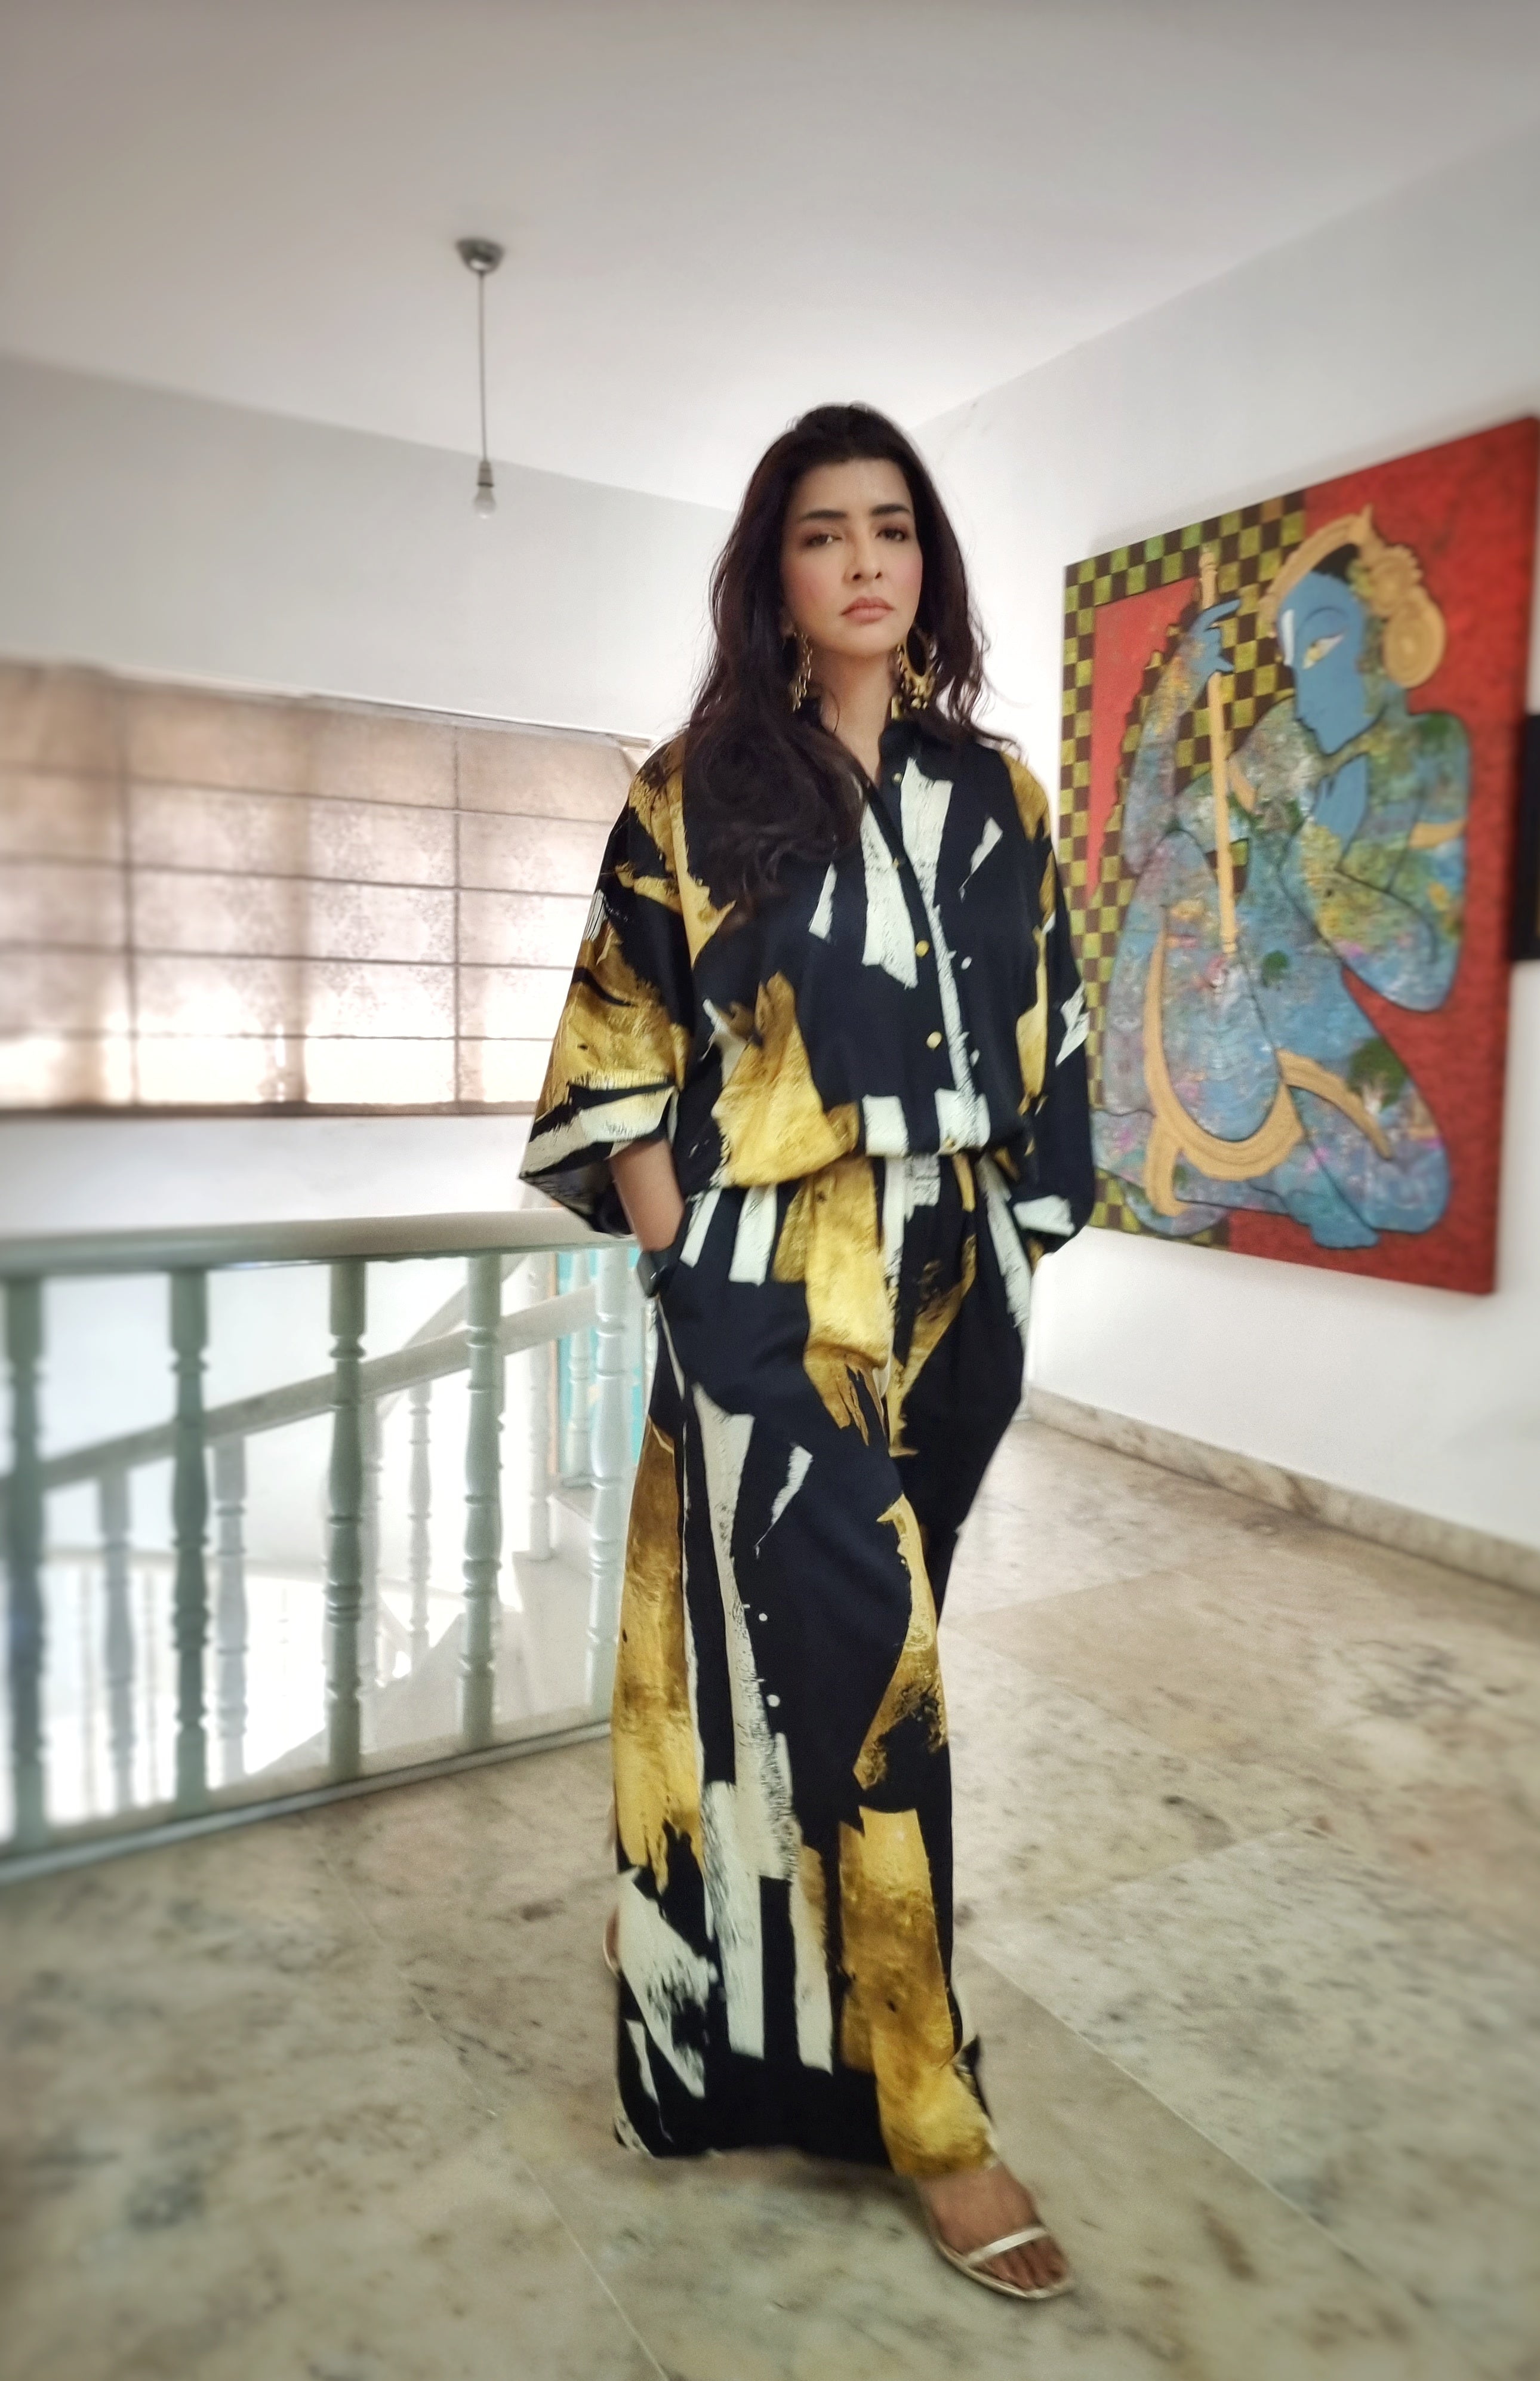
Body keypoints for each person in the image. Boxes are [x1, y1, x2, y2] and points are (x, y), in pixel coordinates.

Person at [520, 403, 1093, 2303]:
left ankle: (744, 2020)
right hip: (773, 1282)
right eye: (825, 531)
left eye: (893, 528)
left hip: (956, 1289)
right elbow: (616, 1056)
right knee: (880, 1693)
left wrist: (1013, 1247)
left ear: (926, 562)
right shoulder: (692, 792)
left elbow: (1052, 1031)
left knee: (812, 1689)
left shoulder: (997, 794)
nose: (865, 561)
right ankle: (931, 2113)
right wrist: (687, 1270)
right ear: (772, 571)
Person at [1095, 510, 1466, 1247]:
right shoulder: (1285, 739)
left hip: (1314, 1021)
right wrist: (1170, 707)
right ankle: (1167, 1135)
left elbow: (1423, 976)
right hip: (1227, 1008)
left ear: (1390, 633)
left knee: (1417, 1195)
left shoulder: (1429, 755)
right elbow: (1147, 846)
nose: (1307, 683)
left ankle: (1203, 1166)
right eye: (1296, 660)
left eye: (1324, 643)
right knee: (1175, 860)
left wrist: (1316, 874)